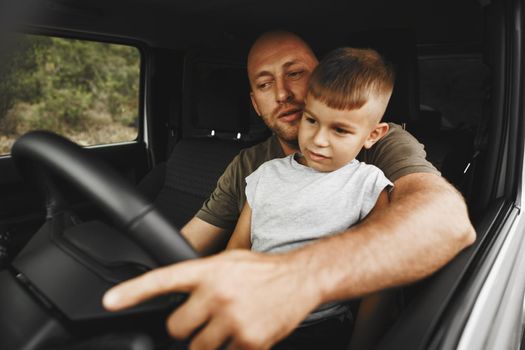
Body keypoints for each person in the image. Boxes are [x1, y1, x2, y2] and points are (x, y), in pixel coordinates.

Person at [103, 31, 476, 350]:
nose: (282, 93)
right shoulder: (256, 168)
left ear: (320, 78)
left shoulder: (380, 147)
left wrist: (299, 277)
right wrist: (123, 287)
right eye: (265, 84)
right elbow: (192, 246)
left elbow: (445, 221)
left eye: (295, 74)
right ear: (255, 102)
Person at [225, 47, 395, 349]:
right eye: (311, 120)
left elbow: (379, 281)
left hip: (320, 331)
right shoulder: (266, 175)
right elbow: (238, 250)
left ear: (372, 135)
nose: (318, 140)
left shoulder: (368, 185)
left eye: (340, 130)